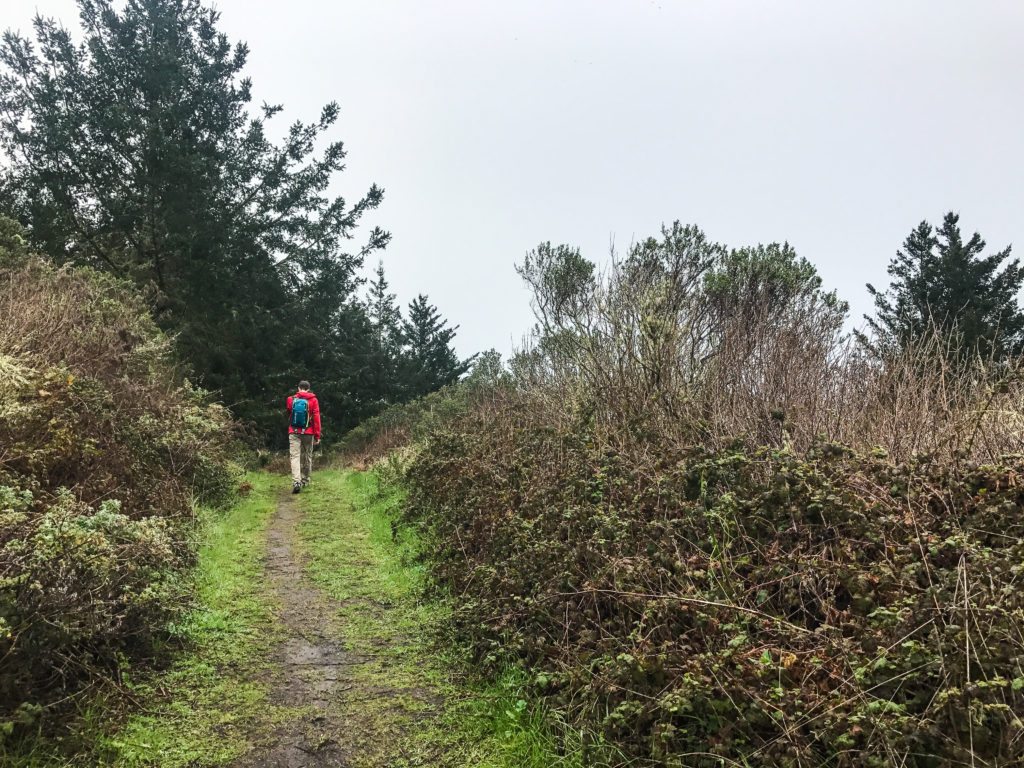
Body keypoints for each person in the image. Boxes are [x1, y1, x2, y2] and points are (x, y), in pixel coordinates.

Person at [286, 380, 321, 493]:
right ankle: (305, 480)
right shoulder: (313, 400)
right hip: (308, 432)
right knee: (307, 456)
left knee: (295, 457)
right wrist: (317, 435)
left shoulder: (291, 399)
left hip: (294, 431)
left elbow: (289, 412)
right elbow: (316, 418)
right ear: (308, 388)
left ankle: (296, 481)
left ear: (298, 388)